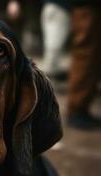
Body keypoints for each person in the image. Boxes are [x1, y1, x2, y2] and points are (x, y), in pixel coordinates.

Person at [67, 0, 101, 129]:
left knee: (89, 55)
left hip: (88, 6)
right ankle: (77, 109)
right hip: (87, 6)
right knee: (86, 54)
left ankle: (79, 108)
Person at [41, 0, 70, 79]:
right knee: (54, 47)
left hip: (51, 7)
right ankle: (44, 83)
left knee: (52, 46)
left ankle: (46, 80)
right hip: (59, 7)